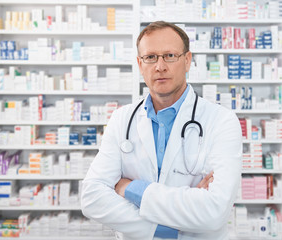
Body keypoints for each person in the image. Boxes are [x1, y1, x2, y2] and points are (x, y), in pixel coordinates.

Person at [81, 21, 242, 240]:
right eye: (150, 57)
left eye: (169, 56)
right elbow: (92, 197)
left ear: (187, 61)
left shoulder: (221, 121)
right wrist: (163, 230)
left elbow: (215, 212)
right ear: (140, 64)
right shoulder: (122, 119)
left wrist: (130, 188)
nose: (160, 66)